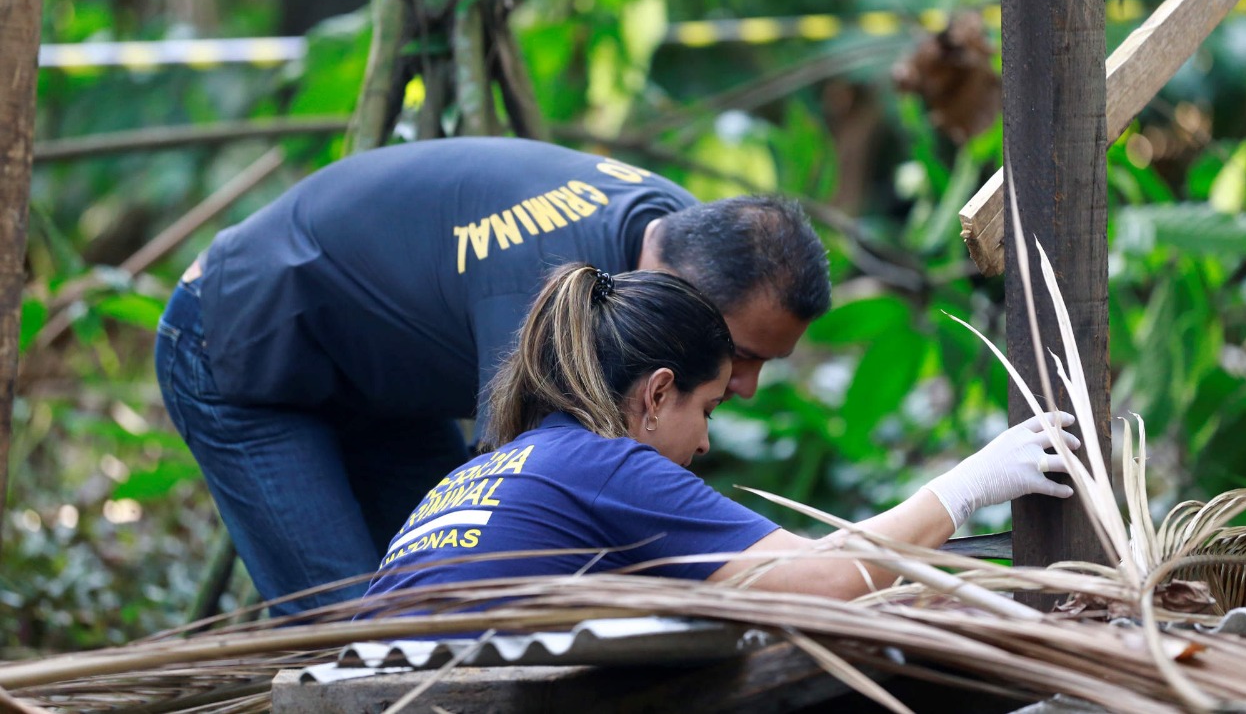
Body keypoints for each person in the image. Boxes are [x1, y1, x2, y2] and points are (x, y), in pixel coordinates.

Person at [154, 137, 831, 615]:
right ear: (686, 294)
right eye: (743, 354)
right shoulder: (545, 285)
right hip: (239, 339)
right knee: (354, 645)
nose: (745, 384)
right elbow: (540, 503)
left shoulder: (677, 237)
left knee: (437, 603)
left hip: (384, 384)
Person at [362, 264, 1079, 607]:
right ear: (657, 393)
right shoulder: (609, 465)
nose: (704, 442)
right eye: (706, 408)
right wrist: (973, 483)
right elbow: (827, 579)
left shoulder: (482, 471)